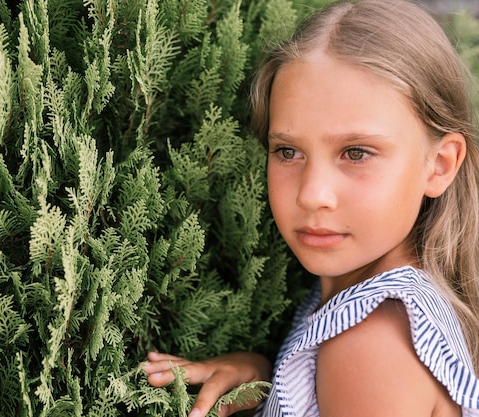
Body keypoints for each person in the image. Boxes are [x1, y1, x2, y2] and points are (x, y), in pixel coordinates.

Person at [141, 0, 479, 416]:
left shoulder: (370, 339)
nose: (311, 194)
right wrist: (266, 379)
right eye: (288, 151)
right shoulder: (358, 305)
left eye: (356, 153)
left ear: (440, 165)